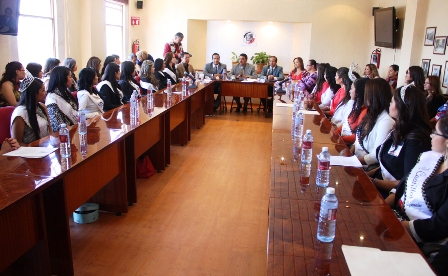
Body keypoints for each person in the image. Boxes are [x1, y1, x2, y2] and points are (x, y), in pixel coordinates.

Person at [385, 116, 448, 244]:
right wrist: (381, 208)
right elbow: (403, 186)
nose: (431, 136)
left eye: (435, 132)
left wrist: (391, 224)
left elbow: (437, 227)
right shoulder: (431, 158)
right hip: (396, 218)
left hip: (416, 239)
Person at [368, 85, 432, 198]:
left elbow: (406, 182)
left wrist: (373, 182)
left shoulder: (416, 139)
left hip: (391, 194)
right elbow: (387, 162)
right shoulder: (400, 128)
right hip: (379, 182)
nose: (389, 104)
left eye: (392, 101)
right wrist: (367, 174)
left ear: (403, 107)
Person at [352, 78, 394, 169]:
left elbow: (375, 155)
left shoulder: (386, 121)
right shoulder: (370, 114)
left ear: (374, 96)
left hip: (367, 167)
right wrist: (348, 154)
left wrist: (352, 161)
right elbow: (357, 142)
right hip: (356, 161)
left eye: (367, 93)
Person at [11, 73, 51, 145]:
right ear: (34, 93)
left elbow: (51, 131)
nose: (45, 93)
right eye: (43, 90)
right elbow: (17, 143)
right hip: (29, 151)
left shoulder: (42, 106)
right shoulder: (20, 113)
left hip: (45, 146)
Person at [45, 66, 79, 132]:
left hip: (74, 129)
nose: (72, 79)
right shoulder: (52, 99)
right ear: (62, 78)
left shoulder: (65, 92)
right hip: (64, 134)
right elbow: (57, 126)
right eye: (70, 77)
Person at [337, 78, 369, 145]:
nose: (349, 91)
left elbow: (356, 136)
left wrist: (339, 138)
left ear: (358, 91)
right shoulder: (356, 105)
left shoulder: (365, 112)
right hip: (342, 139)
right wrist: (336, 132)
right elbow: (345, 124)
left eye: (351, 88)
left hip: (346, 143)